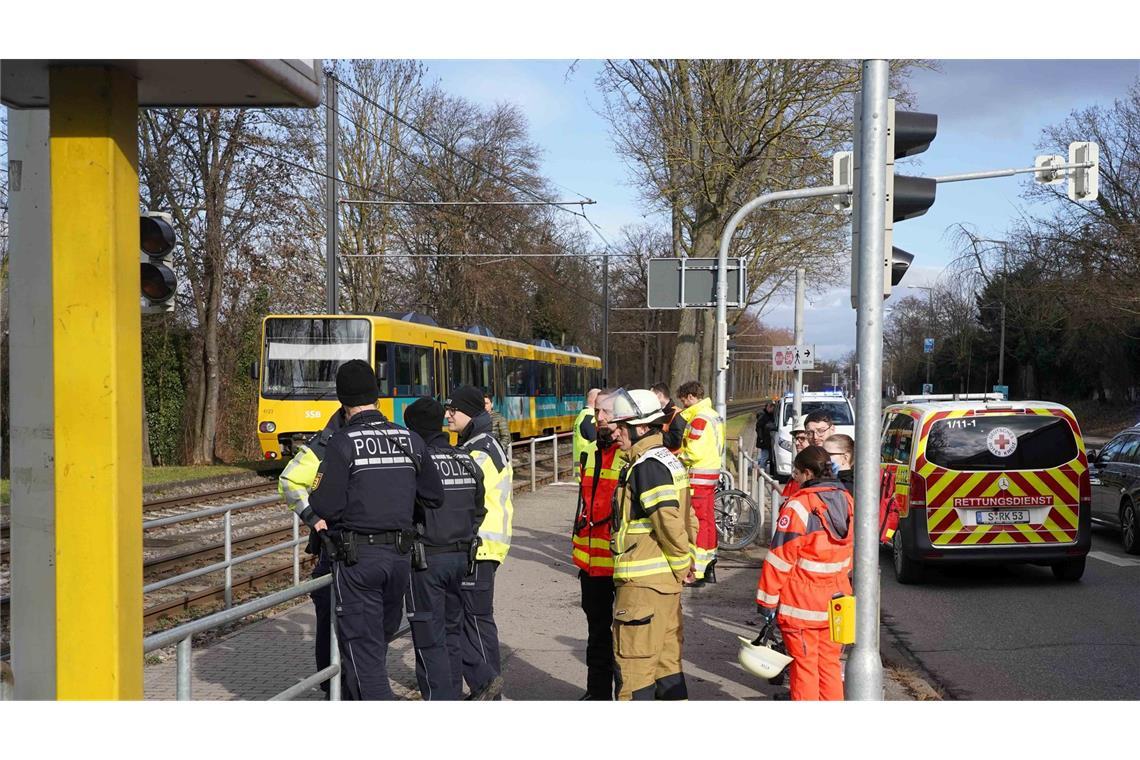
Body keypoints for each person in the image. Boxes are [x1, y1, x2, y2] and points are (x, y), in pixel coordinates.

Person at [308, 360, 445, 700]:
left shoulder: (342, 443)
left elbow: (325, 506)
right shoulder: (409, 439)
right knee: (377, 643)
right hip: (399, 559)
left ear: (342, 401)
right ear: (377, 396)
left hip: (358, 562)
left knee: (363, 652)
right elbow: (434, 496)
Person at [608, 389, 696, 700]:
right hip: (665, 586)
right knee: (667, 666)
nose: (615, 431)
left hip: (642, 586)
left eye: (622, 425)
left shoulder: (646, 466)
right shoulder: (668, 461)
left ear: (642, 427)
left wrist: (682, 563)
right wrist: (686, 564)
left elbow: (668, 522)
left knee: (634, 670)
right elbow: (690, 519)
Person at [402, 397, 487, 700]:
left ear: (413, 429)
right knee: (452, 632)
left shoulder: (416, 463)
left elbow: (405, 511)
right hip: (462, 559)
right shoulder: (466, 459)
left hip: (426, 562)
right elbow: (480, 508)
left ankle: (440, 700)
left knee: (429, 638)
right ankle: (453, 694)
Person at [755, 445, 854, 701]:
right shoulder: (847, 501)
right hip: (838, 601)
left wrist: (766, 601)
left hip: (801, 605)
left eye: (796, 474)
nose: (794, 479)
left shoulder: (799, 506)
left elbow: (780, 558)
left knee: (804, 668)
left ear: (808, 473)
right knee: (830, 666)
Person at [446, 384, 514, 700]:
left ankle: (488, 688)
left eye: (453, 410)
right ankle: (486, 685)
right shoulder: (481, 442)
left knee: (475, 620)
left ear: (469, 412)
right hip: (484, 545)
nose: (447, 414)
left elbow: (462, 496)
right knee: (476, 619)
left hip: (479, 546)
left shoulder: (479, 449)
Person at [277, 406, 347, 697]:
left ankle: (340, 680)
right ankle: (331, 680)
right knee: (329, 615)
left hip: (359, 550)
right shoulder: (324, 444)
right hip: (333, 549)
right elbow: (289, 481)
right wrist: (312, 517)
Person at [571, 388, 623, 699]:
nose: (597, 418)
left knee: (625, 641)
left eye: (604, 413)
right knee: (596, 635)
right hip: (591, 563)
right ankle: (597, 694)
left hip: (620, 562)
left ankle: (626, 696)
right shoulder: (590, 452)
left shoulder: (631, 455)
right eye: (597, 413)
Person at [676, 380, 725, 585]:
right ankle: (710, 563)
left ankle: (698, 571)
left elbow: (693, 451)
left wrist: (678, 456)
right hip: (710, 473)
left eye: (684, 401)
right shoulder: (713, 415)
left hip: (697, 476)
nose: (683, 405)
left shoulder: (698, 419)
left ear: (690, 397)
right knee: (708, 521)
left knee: (696, 523)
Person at [572, 388, 601, 483]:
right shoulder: (590, 418)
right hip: (589, 470)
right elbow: (597, 443)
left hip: (582, 469)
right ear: (596, 400)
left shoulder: (581, 415)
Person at [651, 382, 687, 454]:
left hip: (674, 457)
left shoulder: (678, 414)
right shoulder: (657, 413)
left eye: (651, 396)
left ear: (660, 395)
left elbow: (675, 442)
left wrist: (653, 431)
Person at [781, 415, 810, 500]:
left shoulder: (815, 466)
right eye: (796, 438)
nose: (797, 443)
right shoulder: (800, 462)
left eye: (802, 438)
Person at [484, 391, 512, 460]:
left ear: (492, 404)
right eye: (482, 404)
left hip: (496, 455)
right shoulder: (477, 419)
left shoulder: (499, 418)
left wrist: (498, 450)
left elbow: (506, 437)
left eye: (486, 403)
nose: (484, 406)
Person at [754, 401, 777, 475]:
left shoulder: (768, 415)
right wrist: (761, 439)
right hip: (765, 441)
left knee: (766, 457)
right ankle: (761, 473)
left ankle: (762, 471)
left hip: (767, 440)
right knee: (764, 457)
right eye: (772, 408)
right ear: (768, 407)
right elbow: (759, 428)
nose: (773, 410)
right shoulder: (763, 416)